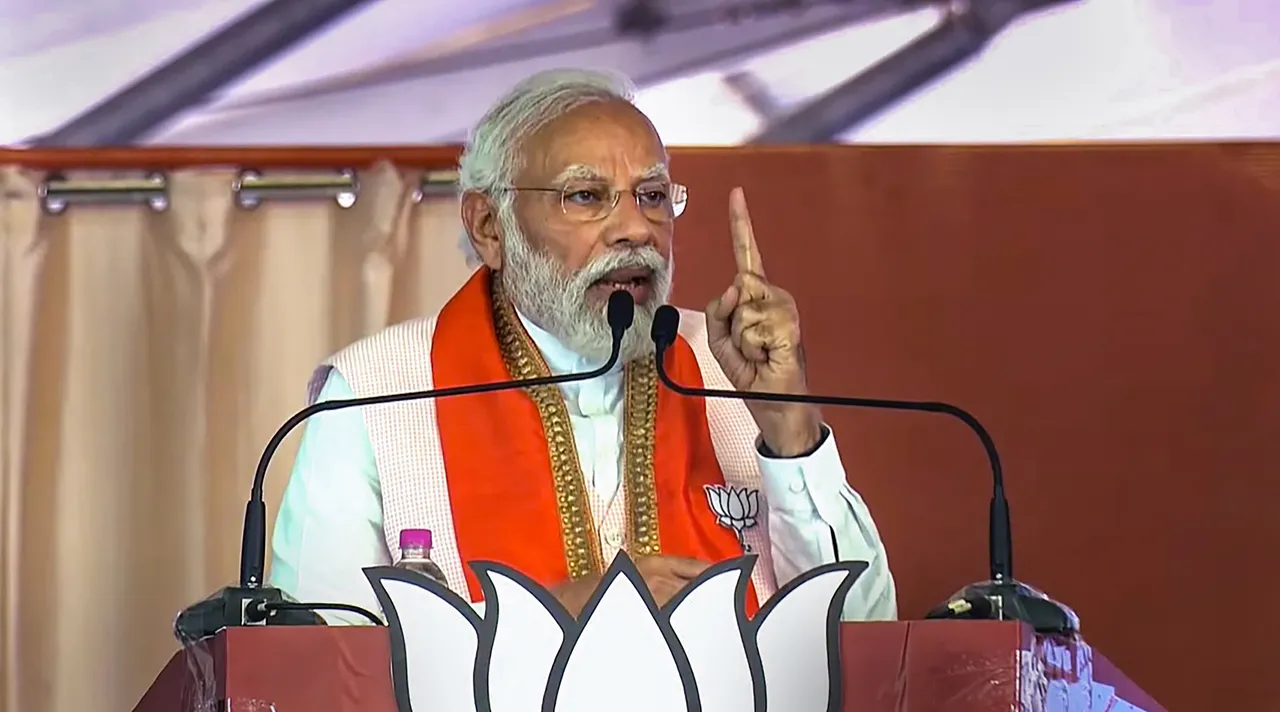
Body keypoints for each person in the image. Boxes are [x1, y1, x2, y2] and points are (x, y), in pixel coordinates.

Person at [268, 68, 897, 623]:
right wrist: (554, 614)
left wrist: (790, 431)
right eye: (586, 196)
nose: (634, 230)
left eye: (652, 196)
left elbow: (867, 632)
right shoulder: (375, 394)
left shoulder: (731, 363)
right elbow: (316, 672)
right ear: (490, 226)